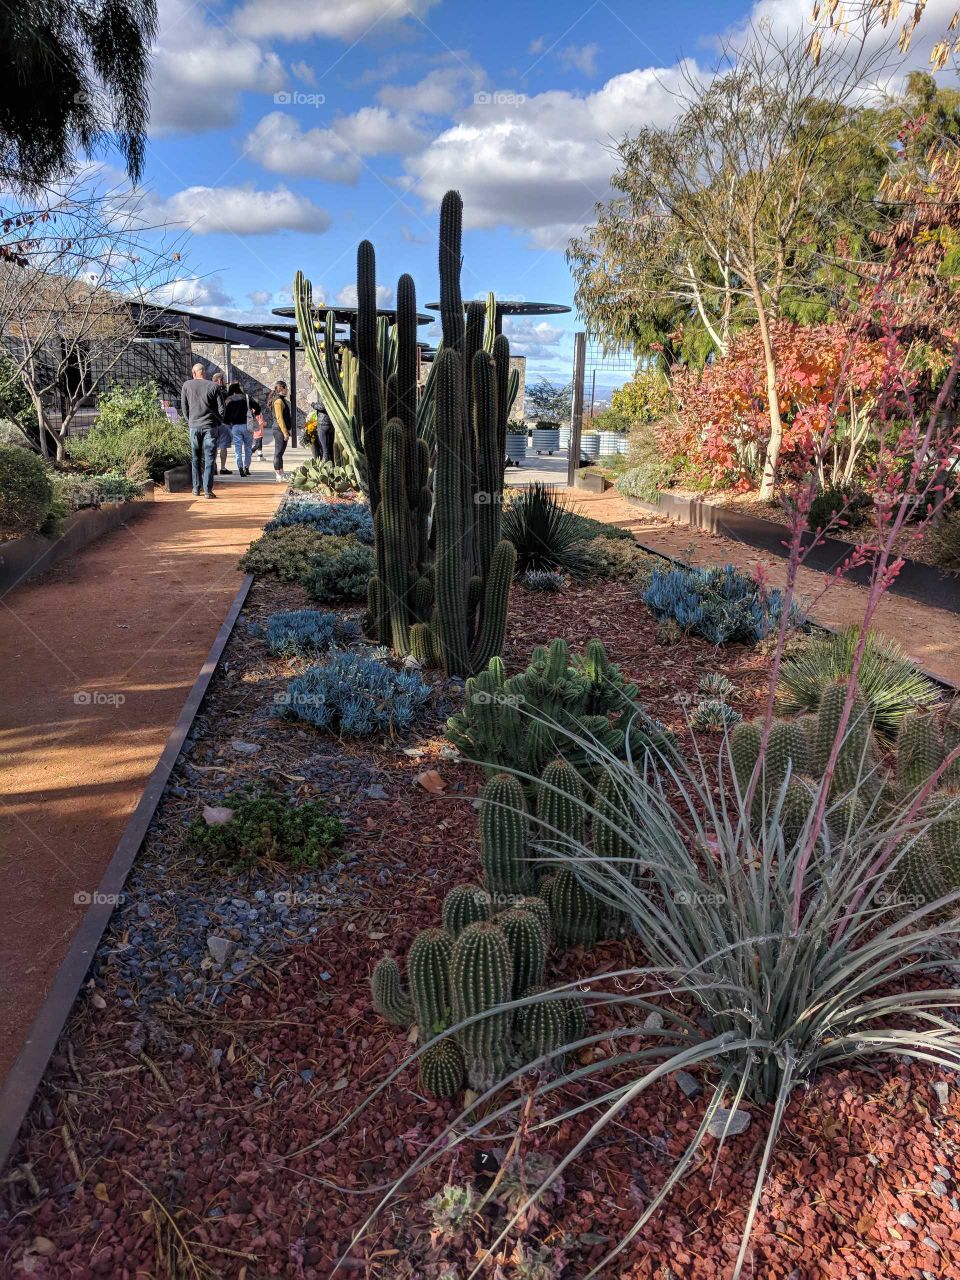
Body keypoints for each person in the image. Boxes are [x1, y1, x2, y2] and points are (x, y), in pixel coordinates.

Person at [179, 363, 221, 499]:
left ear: (194, 373)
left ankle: (196, 488)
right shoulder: (214, 386)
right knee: (209, 458)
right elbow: (222, 409)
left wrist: (190, 421)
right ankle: (208, 490)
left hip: (194, 427)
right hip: (210, 426)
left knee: (196, 458)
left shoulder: (186, 385)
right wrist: (218, 422)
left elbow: (184, 407)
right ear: (204, 373)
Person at [222, 382, 259, 477]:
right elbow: (258, 408)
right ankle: (247, 467)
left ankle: (240, 468)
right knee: (248, 448)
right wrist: (253, 414)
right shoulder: (246, 398)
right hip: (247, 426)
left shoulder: (229, 401)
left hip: (235, 427)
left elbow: (226, 418)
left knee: (238, 449)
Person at [270, 380, 292, 482]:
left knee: (281, 452)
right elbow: (279, 418)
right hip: (279, 430)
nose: (287, 390)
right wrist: (285, 432)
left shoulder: (281, 400)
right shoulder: (278, 401)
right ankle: (278, 474)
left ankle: (281, 472)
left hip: (281, 429)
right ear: (282, 388)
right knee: (278, 452)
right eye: (286, 388)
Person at [211, 372, 232, 473]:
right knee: (223, 446)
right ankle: (223, 468)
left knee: (213, 445)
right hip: (223, 422)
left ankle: (214, 467)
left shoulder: (210, 390)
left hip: (213, 422)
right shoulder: (224, 392)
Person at [316, 396, 335, 462]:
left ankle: (324, 466)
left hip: (323, 423)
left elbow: (322, 407)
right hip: (330, 423)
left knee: (324, 448)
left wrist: (312, 404)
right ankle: (332, 464)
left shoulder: (323, 391)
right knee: (330, 447)